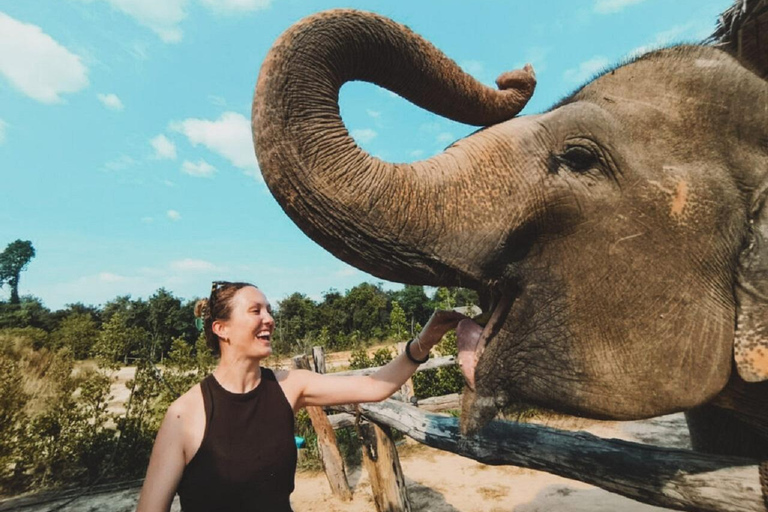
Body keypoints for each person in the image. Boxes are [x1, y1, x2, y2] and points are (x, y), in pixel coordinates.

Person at [136, 281, 465, 512]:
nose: (269, 318)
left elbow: (376, 387)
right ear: (221, 329)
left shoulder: (290, 386)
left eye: (269, 309)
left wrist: (426, 339)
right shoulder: (185, 414)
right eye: (255, 311)